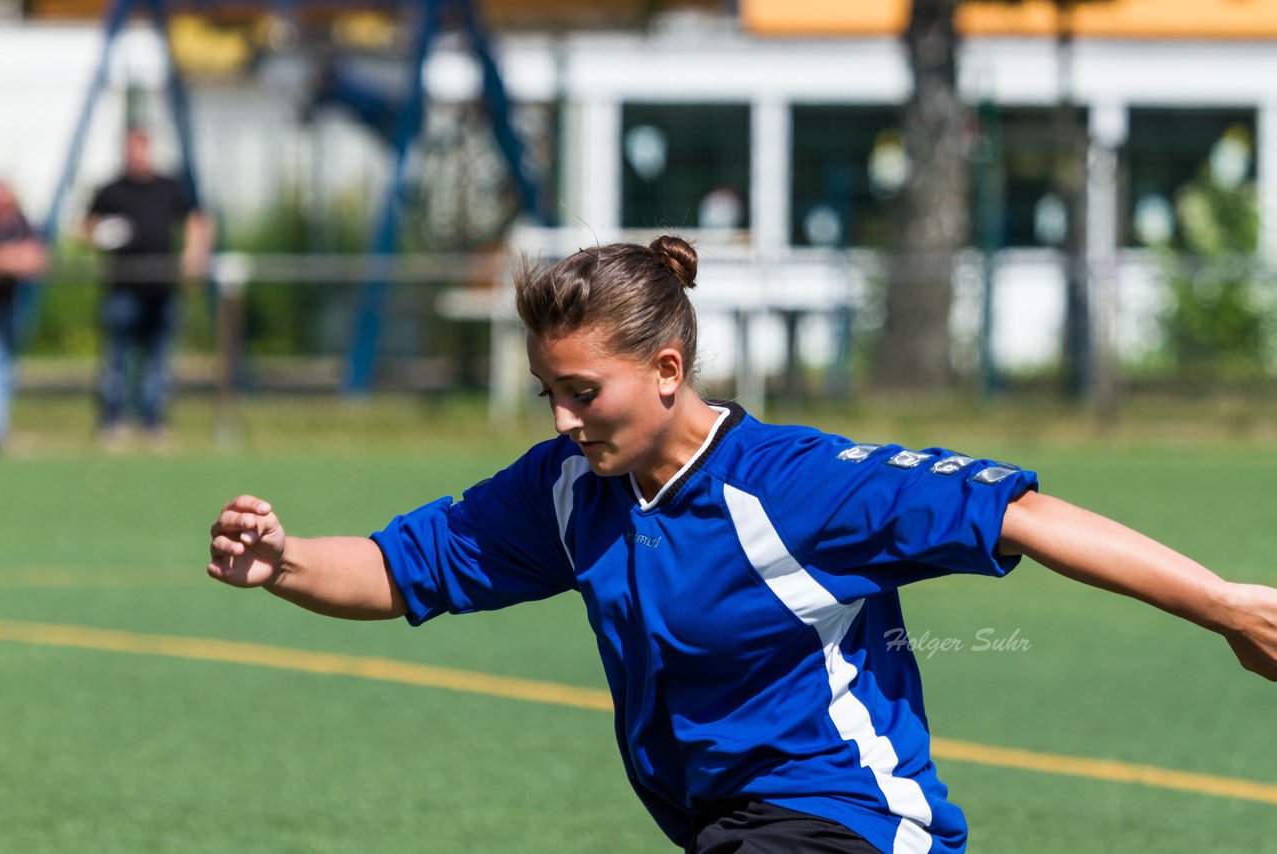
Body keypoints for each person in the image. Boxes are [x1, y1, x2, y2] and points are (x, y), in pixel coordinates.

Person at [208, 236, 1277, 854]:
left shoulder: (797, 486)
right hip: (728, 829)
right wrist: (285, 561)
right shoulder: (571, 491)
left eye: (582, 392)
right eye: (547, 392)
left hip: (846, 824)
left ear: (667, 369)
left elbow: (1023, 515)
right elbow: (406, 568)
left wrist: (1226, 604)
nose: (559, 419)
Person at [84, 127, 213, 445]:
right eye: (131, 148)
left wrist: (193, 257)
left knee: (159, 360)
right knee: (118, 359)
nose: (136, 154)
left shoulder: (167, 186)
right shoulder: (112, 189)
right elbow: (85, 225)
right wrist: (101, 232)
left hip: (162, 288)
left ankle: (153, 422)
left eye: (141, 147)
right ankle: (113, 422)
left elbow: (198, 220)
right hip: (123, 288)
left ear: (149, 149)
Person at [0, 179, 47, 452]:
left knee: (4, 366)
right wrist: (11, 258)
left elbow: (36, 259)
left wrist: (6, 258)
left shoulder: (19, 223)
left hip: (9, 305)